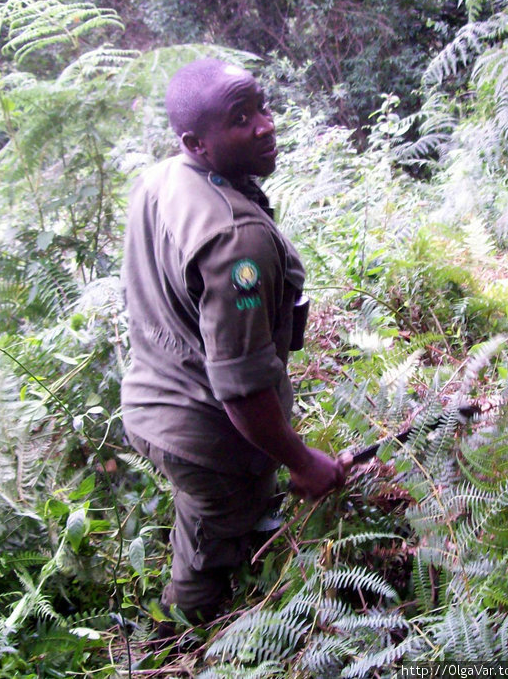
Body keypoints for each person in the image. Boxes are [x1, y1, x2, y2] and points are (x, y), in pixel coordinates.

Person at [121, 58, 345, 624]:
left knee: (208, 516)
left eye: (262, 107)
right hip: (204, 435)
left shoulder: (163, 179)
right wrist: (304, 463)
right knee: (210, 550)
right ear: (196, 142)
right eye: (241, 118)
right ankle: (186, 639)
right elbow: (242, 390)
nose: (266, 124)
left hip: (154, 396)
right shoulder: (234, 240)